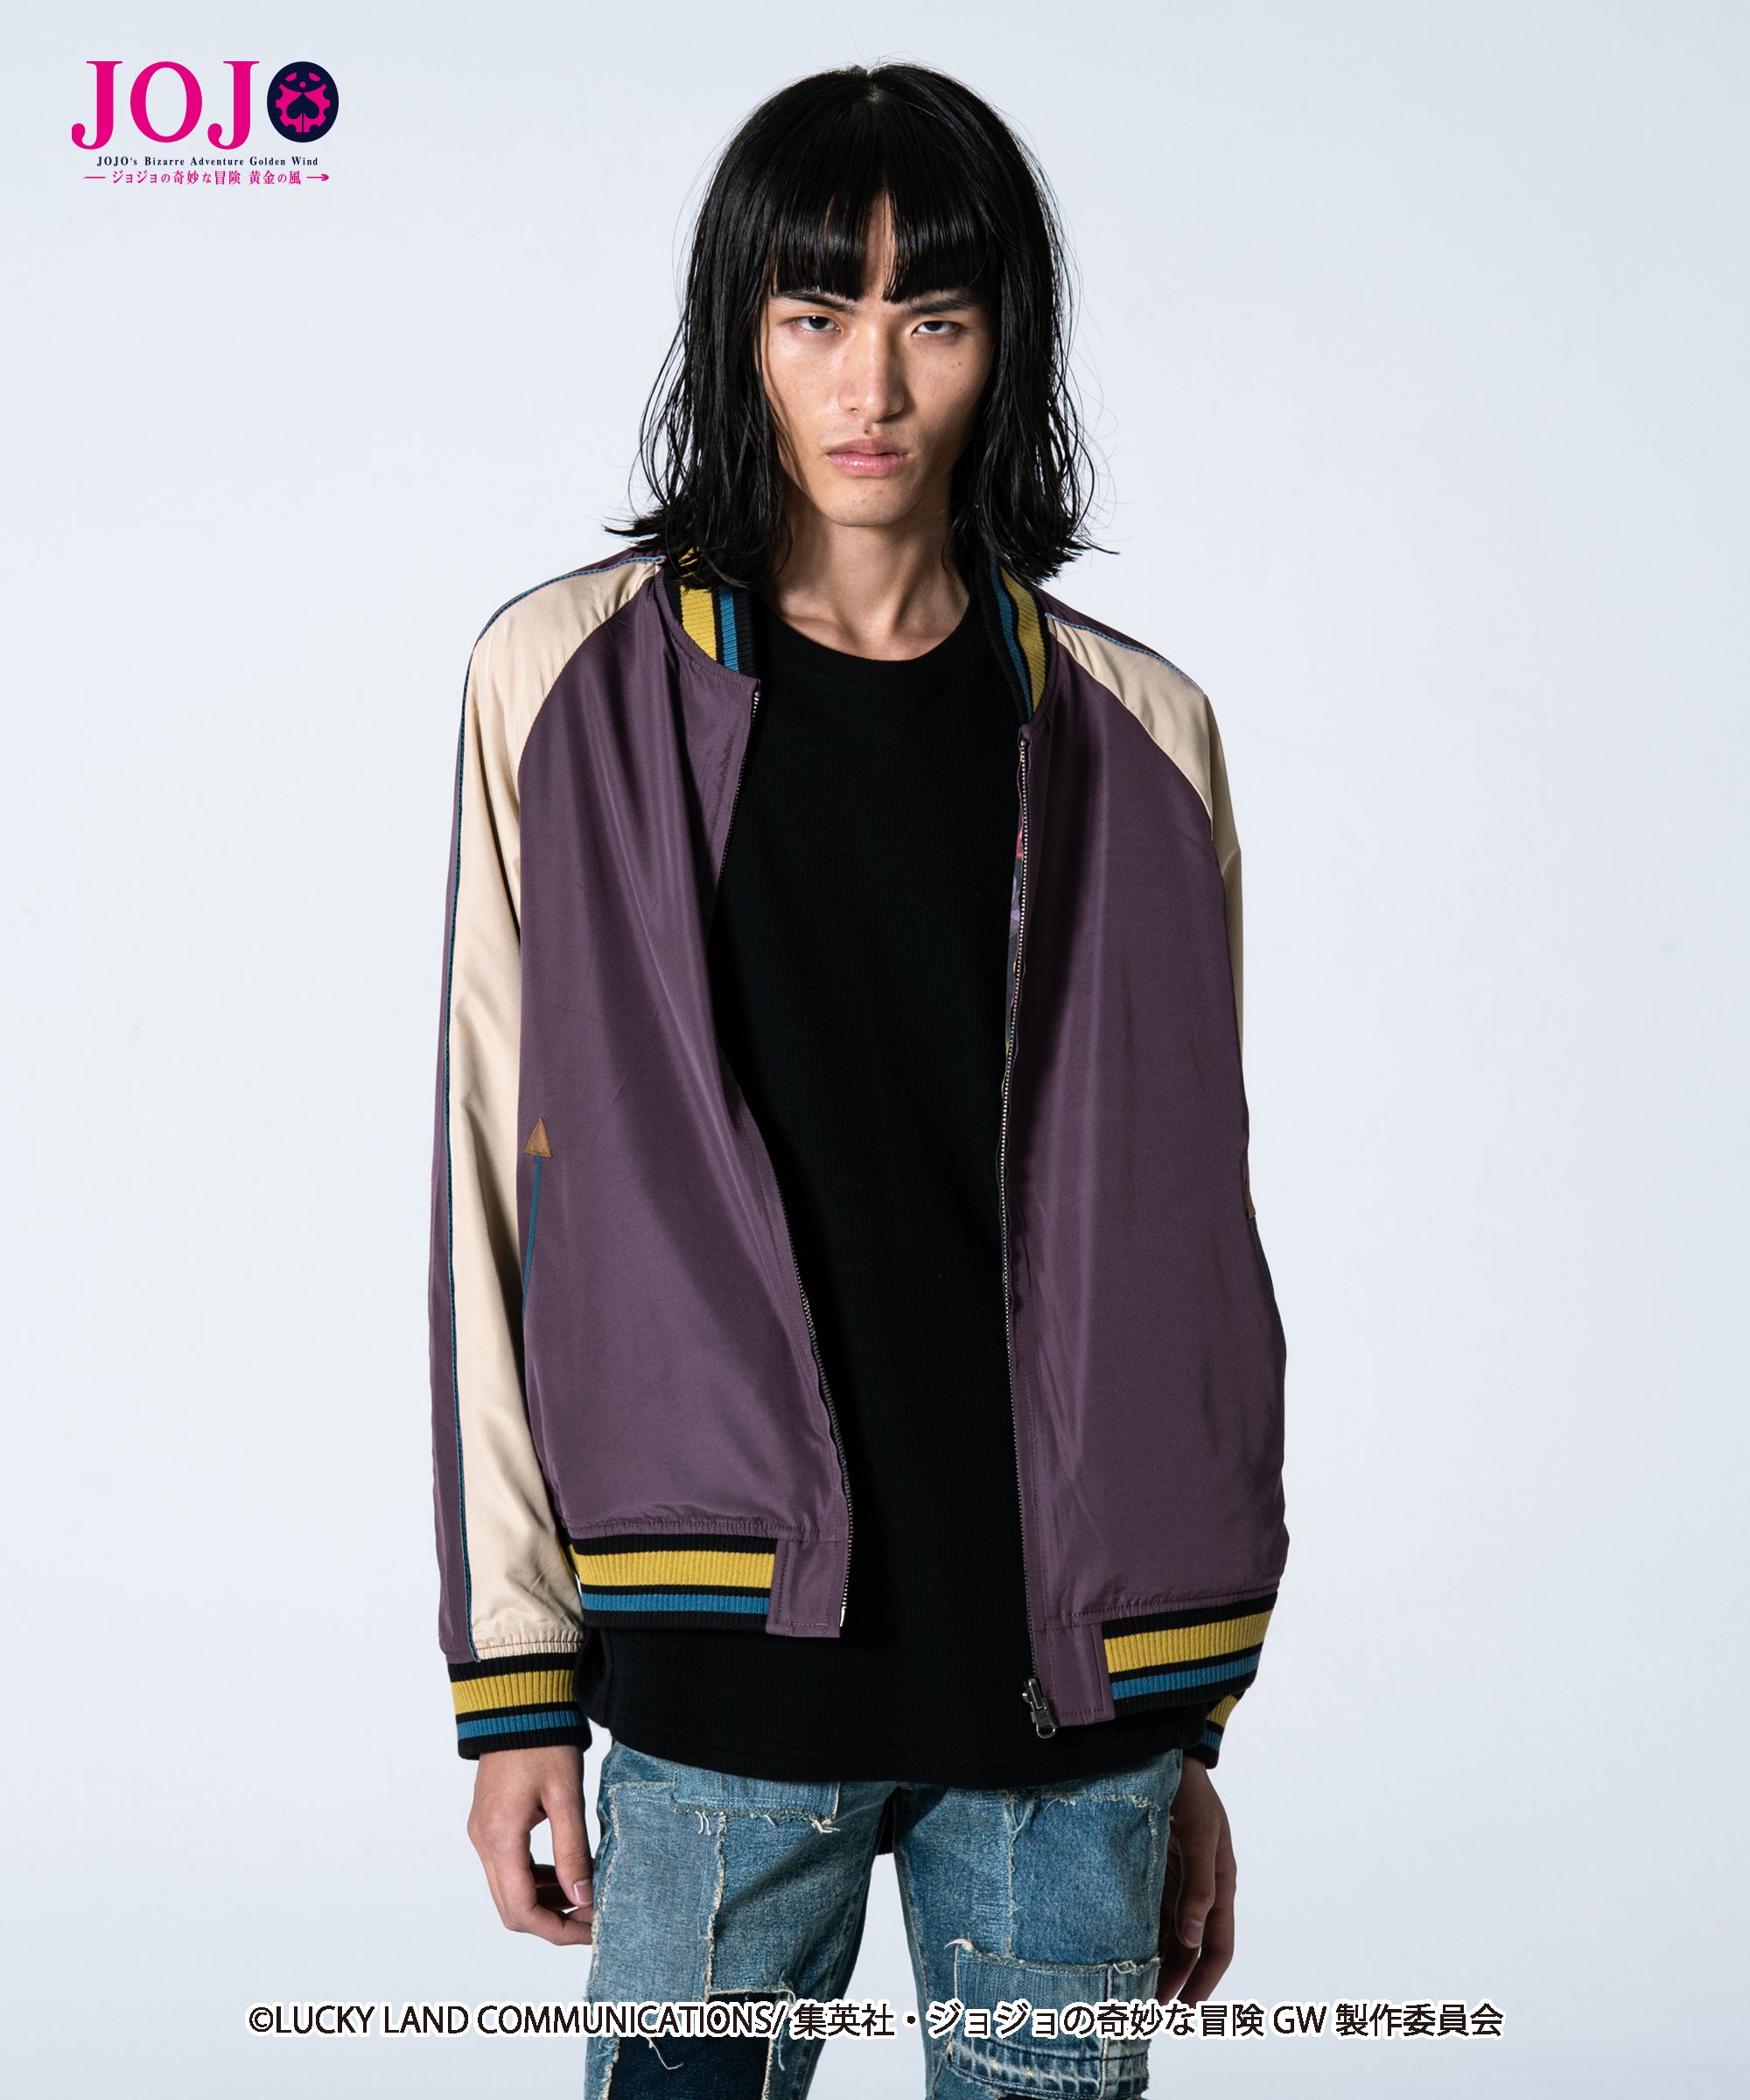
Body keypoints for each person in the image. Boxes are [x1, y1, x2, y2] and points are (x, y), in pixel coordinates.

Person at [429, 61, 1288, 2100]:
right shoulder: (568, 688)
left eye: (936, 317)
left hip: (1071, 1709)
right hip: (722, 1676)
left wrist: (1186, 1728)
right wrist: (515, 1676)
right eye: (816, 314)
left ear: (1008, 346)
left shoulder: (1141, 736)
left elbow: (1191, 1246)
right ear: (740, 333)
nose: (872, 384)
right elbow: (491, 1187)